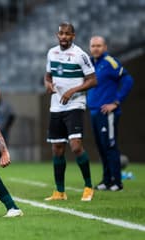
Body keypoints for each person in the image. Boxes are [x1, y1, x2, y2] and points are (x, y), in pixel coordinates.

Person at [44, 22, 97, 201]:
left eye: (67, 34)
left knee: (75, 146)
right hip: (56, 105)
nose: (64, 37)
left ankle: (89, 186)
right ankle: (60, 192)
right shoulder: (51, 53)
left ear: (73, 36)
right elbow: (47, 76)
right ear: (57, 35)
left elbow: (92, 80)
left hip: (75, 104)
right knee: (57, 148)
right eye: (61, 34)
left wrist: (72, 91)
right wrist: (48, 85)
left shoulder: (80, 55)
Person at [87, 36, 134, 191]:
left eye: (99, 46)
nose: (95, 48)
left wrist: (116, 102)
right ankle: (107, 180)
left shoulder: (110, 62)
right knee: (101, 147)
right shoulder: (90, 63)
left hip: (107, 112)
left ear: (105, 47)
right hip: (94, 111)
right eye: (93, 46)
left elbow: (128, 80)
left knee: (110, 146)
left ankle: (117, 181)